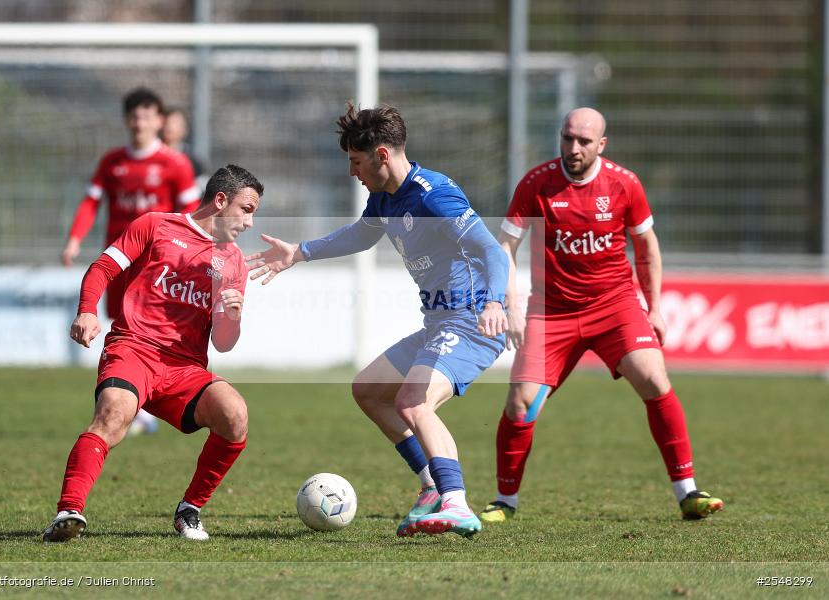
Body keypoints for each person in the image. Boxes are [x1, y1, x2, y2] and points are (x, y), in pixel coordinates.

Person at [245, 103, 509, 538]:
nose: (352, 171)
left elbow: (492, 251)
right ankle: (430, 488)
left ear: (381, 154)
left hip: (471, 324)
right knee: (368, 390)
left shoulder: (433, 195)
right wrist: (299, 252)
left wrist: (496, 303)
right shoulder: (384, 197)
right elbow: (362, 234)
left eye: (355, 160)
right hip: (438, 326)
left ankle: (457, 503)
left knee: (413, 402)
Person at [479, 107, 723, 524]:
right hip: (551, 311)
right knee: (521, 405)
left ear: (601, 144)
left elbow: (646, 249)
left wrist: (656, 308)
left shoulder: (624, 184)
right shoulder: (537, 184)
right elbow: (505, 247)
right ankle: (505, 500)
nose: (573, 148)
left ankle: (688, 492)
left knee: (654, 376)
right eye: (567, 138)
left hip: (614, 306)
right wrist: (509, 303)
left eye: (584, 142)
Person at [43, 164, 263, 542]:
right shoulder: (156, 225)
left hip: (185, 368)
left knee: (235, 415)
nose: (250, 221)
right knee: (113, 415)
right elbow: (102, 268)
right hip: (134, 348)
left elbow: (224, 342)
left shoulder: (233, 262)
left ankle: (190, 509)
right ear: (221, 200)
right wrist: (86, 310)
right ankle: (69, 512)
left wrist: (232, 315)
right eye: (247, 209)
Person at [61, 88, 201, 436]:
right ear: (127, 120)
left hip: (158, 263)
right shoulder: (112, 162)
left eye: (148, 115)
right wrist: (75, 239)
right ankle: (127, 399)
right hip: (120, 258)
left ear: (159, 120)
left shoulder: (175, 164)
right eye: (135, 116)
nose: (141, 122)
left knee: (149, 328)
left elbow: (192, 215)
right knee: (120, 326)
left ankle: (143, 401)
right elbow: (91, 202)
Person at [161, 107, 210, 188]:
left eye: (175, 122)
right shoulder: (151, 154)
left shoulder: (192, 160)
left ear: (184, 129)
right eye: (166, 122)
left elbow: (203, 186)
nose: (169, 126)